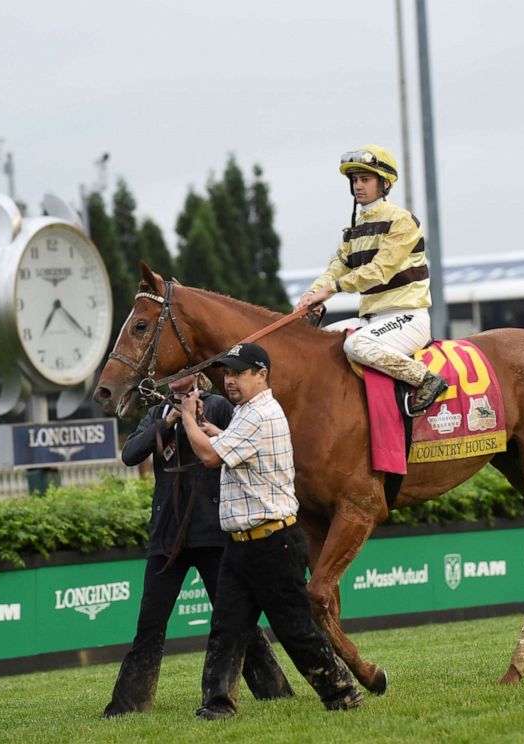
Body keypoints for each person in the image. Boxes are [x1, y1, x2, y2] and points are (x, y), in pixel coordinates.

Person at [180, 342, 364, 719]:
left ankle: (342, 692)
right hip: (244, 543)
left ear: (261, 374)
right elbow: (228, 445)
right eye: (227, 373)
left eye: (238, 373)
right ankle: (217, 706)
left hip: (272, 543)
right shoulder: (249, 412)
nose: (229, 380)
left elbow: (210, 456)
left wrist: (186, 419)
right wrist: (210, 427)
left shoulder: (257, 414)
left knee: (295, 629)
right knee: (227, 627)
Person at [103, 371, 293, 718]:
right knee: (149, 623)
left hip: (211, 534)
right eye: (168, 373)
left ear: (196, 373)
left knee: (235, 622)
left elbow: (234, 447)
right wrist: (173, 417)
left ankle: (274, 691)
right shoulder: (157, 413)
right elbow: (130, 454)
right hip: (167, 536)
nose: (174, 377)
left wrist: (197, 416)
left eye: (182, 370)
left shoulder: (219, 406)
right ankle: (129, 705)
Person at [294, 144, 447, 415]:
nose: (358, 186)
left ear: (384, 184)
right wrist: (310, 297)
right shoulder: (354, 231)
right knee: (315, 342)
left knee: (357, 344)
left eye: (365, 179)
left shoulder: (402, 221)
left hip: (407, 318)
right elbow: (336, 268)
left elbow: (379, 271)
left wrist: (331, 290)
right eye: (354, 180)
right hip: (370, 319)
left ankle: (425, 378)